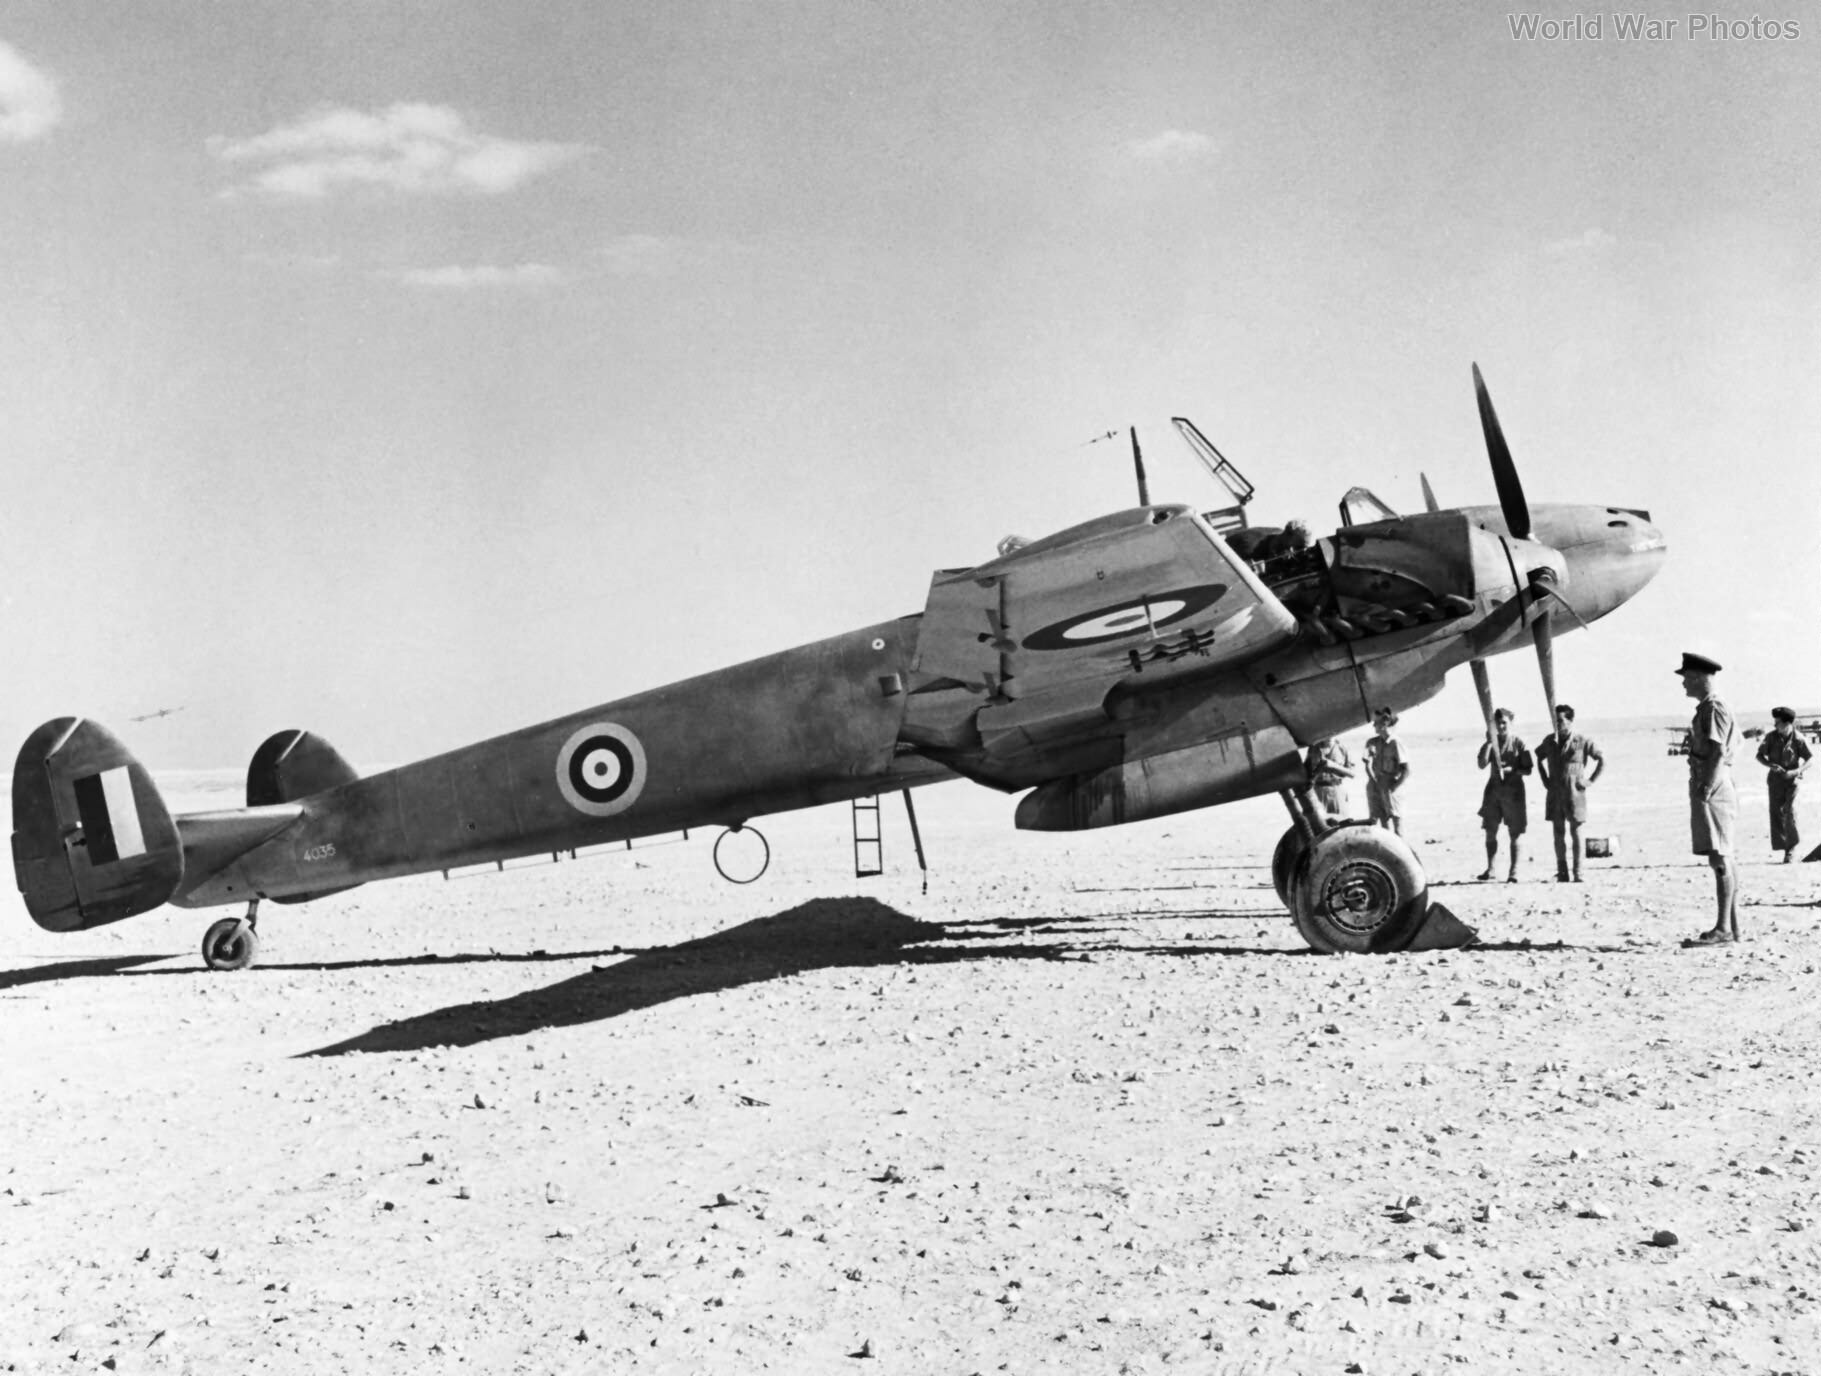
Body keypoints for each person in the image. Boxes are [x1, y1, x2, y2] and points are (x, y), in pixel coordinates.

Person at [1679, 652, 1740, 944]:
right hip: (1716, 784)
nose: (1684, 685)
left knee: (1719, 857)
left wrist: (1706, 786)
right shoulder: (1709, 707)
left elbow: (1717, 751)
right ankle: (1731, 926)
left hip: (1713, 787)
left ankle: (1724, 929)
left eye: (1687, 678)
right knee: (1723, 855)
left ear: (1699, 678)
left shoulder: (1714, 708)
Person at [1534, 704, 1604, 881]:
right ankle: (1562, 872)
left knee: (1576, 832)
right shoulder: (1549, 741)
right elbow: (1538, 757)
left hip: (1575, 793)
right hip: (1555, 793)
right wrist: (1545, 780)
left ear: (1570, 721)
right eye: (1555, 721)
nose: (1558, 724)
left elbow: (1601, 759)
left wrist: (1589, 781)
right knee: (1558, 833)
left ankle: (1578, 872)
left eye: (1561, 721)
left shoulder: (1582, 741)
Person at [1476, 707, 1534, 881]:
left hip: (1513, 792)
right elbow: (1481, 764)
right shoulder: (1491, 742)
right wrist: (1488, 743)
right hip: (1493, 791)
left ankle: (1514, 871)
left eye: (1504, 723)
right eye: (1498, 723)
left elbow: (1528, 769)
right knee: (1490, 830)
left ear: (1510, 723)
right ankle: (1491, 869)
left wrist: (1512, 770)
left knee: (1515, 833)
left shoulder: (1518, 743)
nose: (1501, 727)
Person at [1755, 706, 1811, 862]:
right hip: (1775, 781)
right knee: (1776, 813)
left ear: (1787, 724)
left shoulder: (1799, 739)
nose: (1775, 726)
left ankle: (1791, 849)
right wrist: (1770, 765)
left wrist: (1797, 771)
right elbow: (1759, 755)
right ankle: (1783, 845)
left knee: (1789, 810)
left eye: (1778, 723)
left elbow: (1810, 760)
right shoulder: (1771, 738)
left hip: (1792, 781)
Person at [1364, 708, 1409, 834]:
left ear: (1385, 723)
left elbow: (1406, 770)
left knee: (1397, 826)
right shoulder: (1375, 742)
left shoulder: (1396, 743)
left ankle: (1402, 852)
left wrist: (1394, 787)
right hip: (1379, 784)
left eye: (1377, 722)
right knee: (1384, 827)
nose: (1374, 725)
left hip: (1391, 785)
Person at [1304, 737, 1355, 820]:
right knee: (1318, 822)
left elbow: (1352, 773)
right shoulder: (1313, 748)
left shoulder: (1342, 748)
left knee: (1341, 821)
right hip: (1318, 791)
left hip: (1336, 790)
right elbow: (1306, 769)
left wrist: (1333, 766)